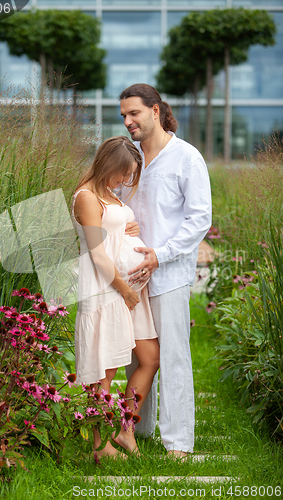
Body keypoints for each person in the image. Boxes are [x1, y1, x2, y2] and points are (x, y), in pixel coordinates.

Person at [118, 83, 212, 459]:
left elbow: (199, 218)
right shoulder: (130, 156)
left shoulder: (186, 157)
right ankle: (137, 430)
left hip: (169, 273)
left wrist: (161, 254)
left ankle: (178, 443)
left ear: (155, 111)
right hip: (132, 275)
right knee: (136, 356)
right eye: (123, 115)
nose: (127, 121)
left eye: (134, 113)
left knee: (173, 356)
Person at [72, 136, 160, 458]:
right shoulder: (86, 197)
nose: (125, 181)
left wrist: (130, 225)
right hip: (105, 290)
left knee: (150, 359)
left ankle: (126, 430)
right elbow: (96, 253)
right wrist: (124, 289)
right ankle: (99, 445)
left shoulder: (109, 195)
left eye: (130, 175)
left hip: (127, 291)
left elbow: (115, 229)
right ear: (107, 164)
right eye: (122, 173)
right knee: (104, 371)